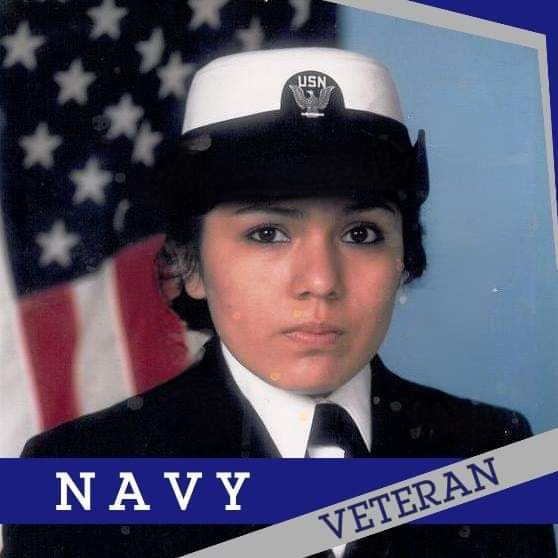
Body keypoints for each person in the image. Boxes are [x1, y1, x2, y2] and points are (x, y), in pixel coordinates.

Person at [2, 48, 556, 558]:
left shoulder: (492, 449)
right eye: (267, 233)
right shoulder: (74, 471)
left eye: (361, 233)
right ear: (190, 264)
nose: (319, 281)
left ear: (403, 257)